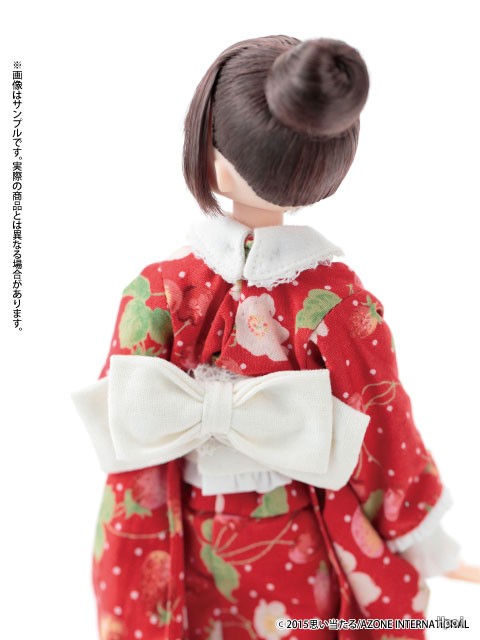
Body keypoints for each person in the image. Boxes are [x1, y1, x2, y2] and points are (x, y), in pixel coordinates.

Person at [72, 35, 476, 640]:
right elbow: (383, 431)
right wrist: (421, 538)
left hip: (190, 541)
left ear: (213, 158)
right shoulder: (335, 307)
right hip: (297, 547)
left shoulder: (159, 291)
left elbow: (127, 419)